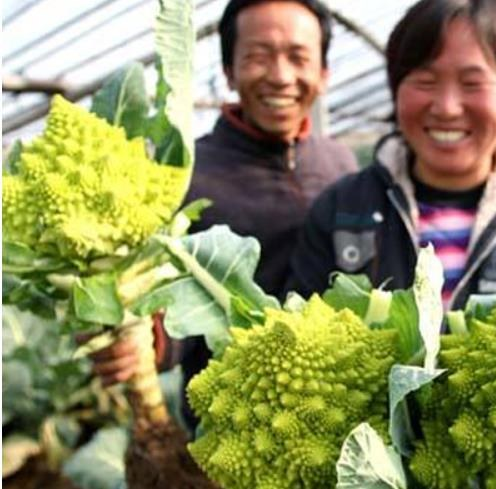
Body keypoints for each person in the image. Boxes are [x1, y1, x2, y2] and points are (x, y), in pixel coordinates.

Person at [90, 0, 358, 433]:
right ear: (230, 72)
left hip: (337, 416)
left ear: (324, 74)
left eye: (298, 57)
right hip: (232, 424)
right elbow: (169, 302)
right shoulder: (185, 175)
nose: (280, 76)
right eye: (257, 56)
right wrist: (141, 340)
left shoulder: (341, 164)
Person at [286, 0, 496, 312]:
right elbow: (303, 328)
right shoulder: (341, 210)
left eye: (472, 83)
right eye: (426, 81)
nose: (447, 108)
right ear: (396, 89)